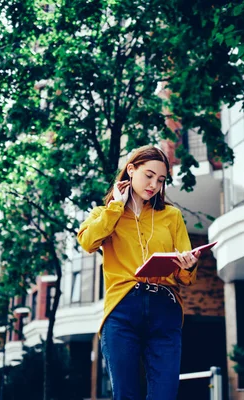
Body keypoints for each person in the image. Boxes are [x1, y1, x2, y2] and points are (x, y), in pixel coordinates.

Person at [78, 145, 200, 400]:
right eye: (148, 175)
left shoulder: (171, 216)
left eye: (161, 179)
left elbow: (186, 277)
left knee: (164, 394)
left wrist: (188, 265)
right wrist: (116, 207)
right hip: (123, 309)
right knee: (126, 395)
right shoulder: (105, 215)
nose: (154, 184)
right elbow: (88, 242)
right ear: (131, 171)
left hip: (164, 308)